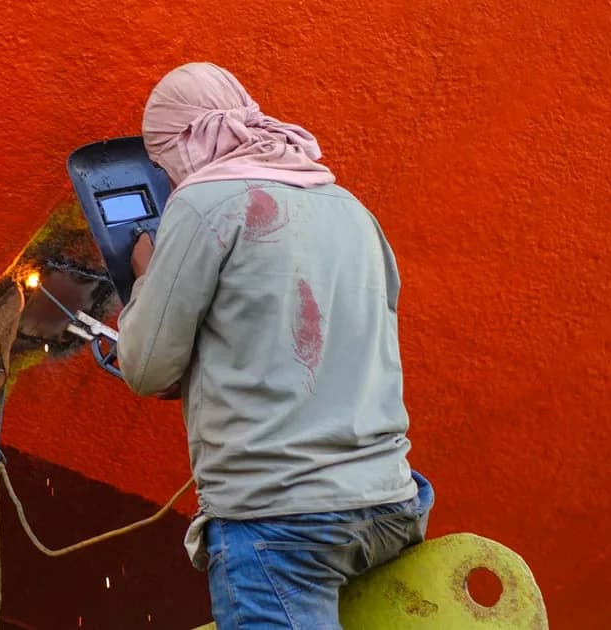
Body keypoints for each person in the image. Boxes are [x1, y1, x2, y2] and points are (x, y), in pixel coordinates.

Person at [115, 62, 435, 629]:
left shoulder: (202, 203)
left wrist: (146, 276)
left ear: (183, 145)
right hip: (390, 504)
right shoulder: (349, 206)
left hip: (282, 523)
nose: (169, 182)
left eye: (162, 164)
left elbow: (144, 367)